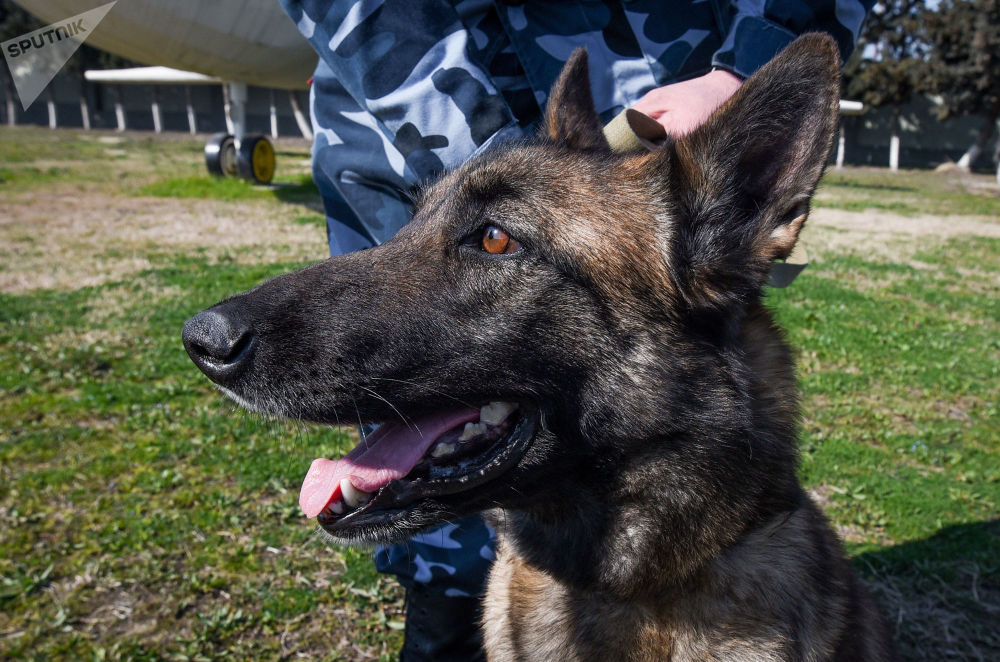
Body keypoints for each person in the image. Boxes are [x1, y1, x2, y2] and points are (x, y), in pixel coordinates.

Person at [275, 2, 872, 660]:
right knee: (449, 564)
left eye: (492, 242)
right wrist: (507, 177)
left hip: (661, 83)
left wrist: (744, 64)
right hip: (399, 110)